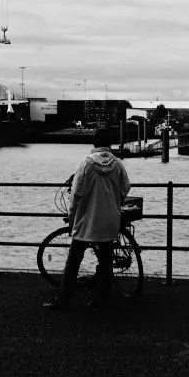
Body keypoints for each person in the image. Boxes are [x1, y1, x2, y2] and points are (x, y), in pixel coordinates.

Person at [43, 127, 131, 309]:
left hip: (87, 221)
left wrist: (72, 217)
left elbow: (76, 195)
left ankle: (63, 299)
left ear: (94, 143)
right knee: (106, 260)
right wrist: (116, 202)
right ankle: (100, 298)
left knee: (74, 260)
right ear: (109, 144)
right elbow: (125, 187)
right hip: (109, 221)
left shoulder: (86, 165)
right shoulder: (118, 164)